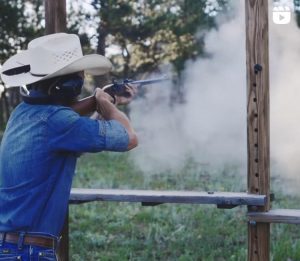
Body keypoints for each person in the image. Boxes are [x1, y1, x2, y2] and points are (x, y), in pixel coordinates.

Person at [0, 33, 138, 260]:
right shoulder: (57, 122)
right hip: (28, 252)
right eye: (78, 77)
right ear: (68, 85)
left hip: (12, 247)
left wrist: (105, 101)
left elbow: (73, 132)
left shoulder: (22, 114)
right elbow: (129, 138)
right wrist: (105, 104)